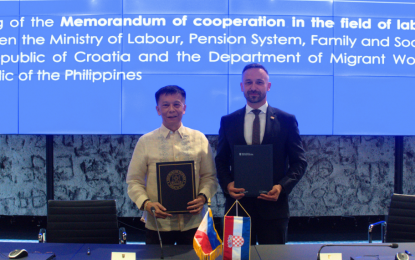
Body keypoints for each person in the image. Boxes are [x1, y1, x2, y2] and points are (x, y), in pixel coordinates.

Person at [215, 63, 307, 245]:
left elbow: (299, 162)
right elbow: (221, 160)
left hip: (274, 209)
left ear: (268, 86)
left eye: (259, 82)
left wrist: (281, 187)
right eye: (248, 82)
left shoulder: (286, 120)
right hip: (238, 208)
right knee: (237, 259)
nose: (253, 87)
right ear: (242, 87)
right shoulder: (228, 121)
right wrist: (227, 184)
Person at [126, 85, 218, 245]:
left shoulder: (199, 138)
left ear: (184, 108)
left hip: (194, 223)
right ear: (158, 109)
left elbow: (209, 177)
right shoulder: (145, 142)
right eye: (165, 105)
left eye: (176, 104)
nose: (171, 109)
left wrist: (203, 197)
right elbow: (134, 181)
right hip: (158, 225)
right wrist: (147, 204)